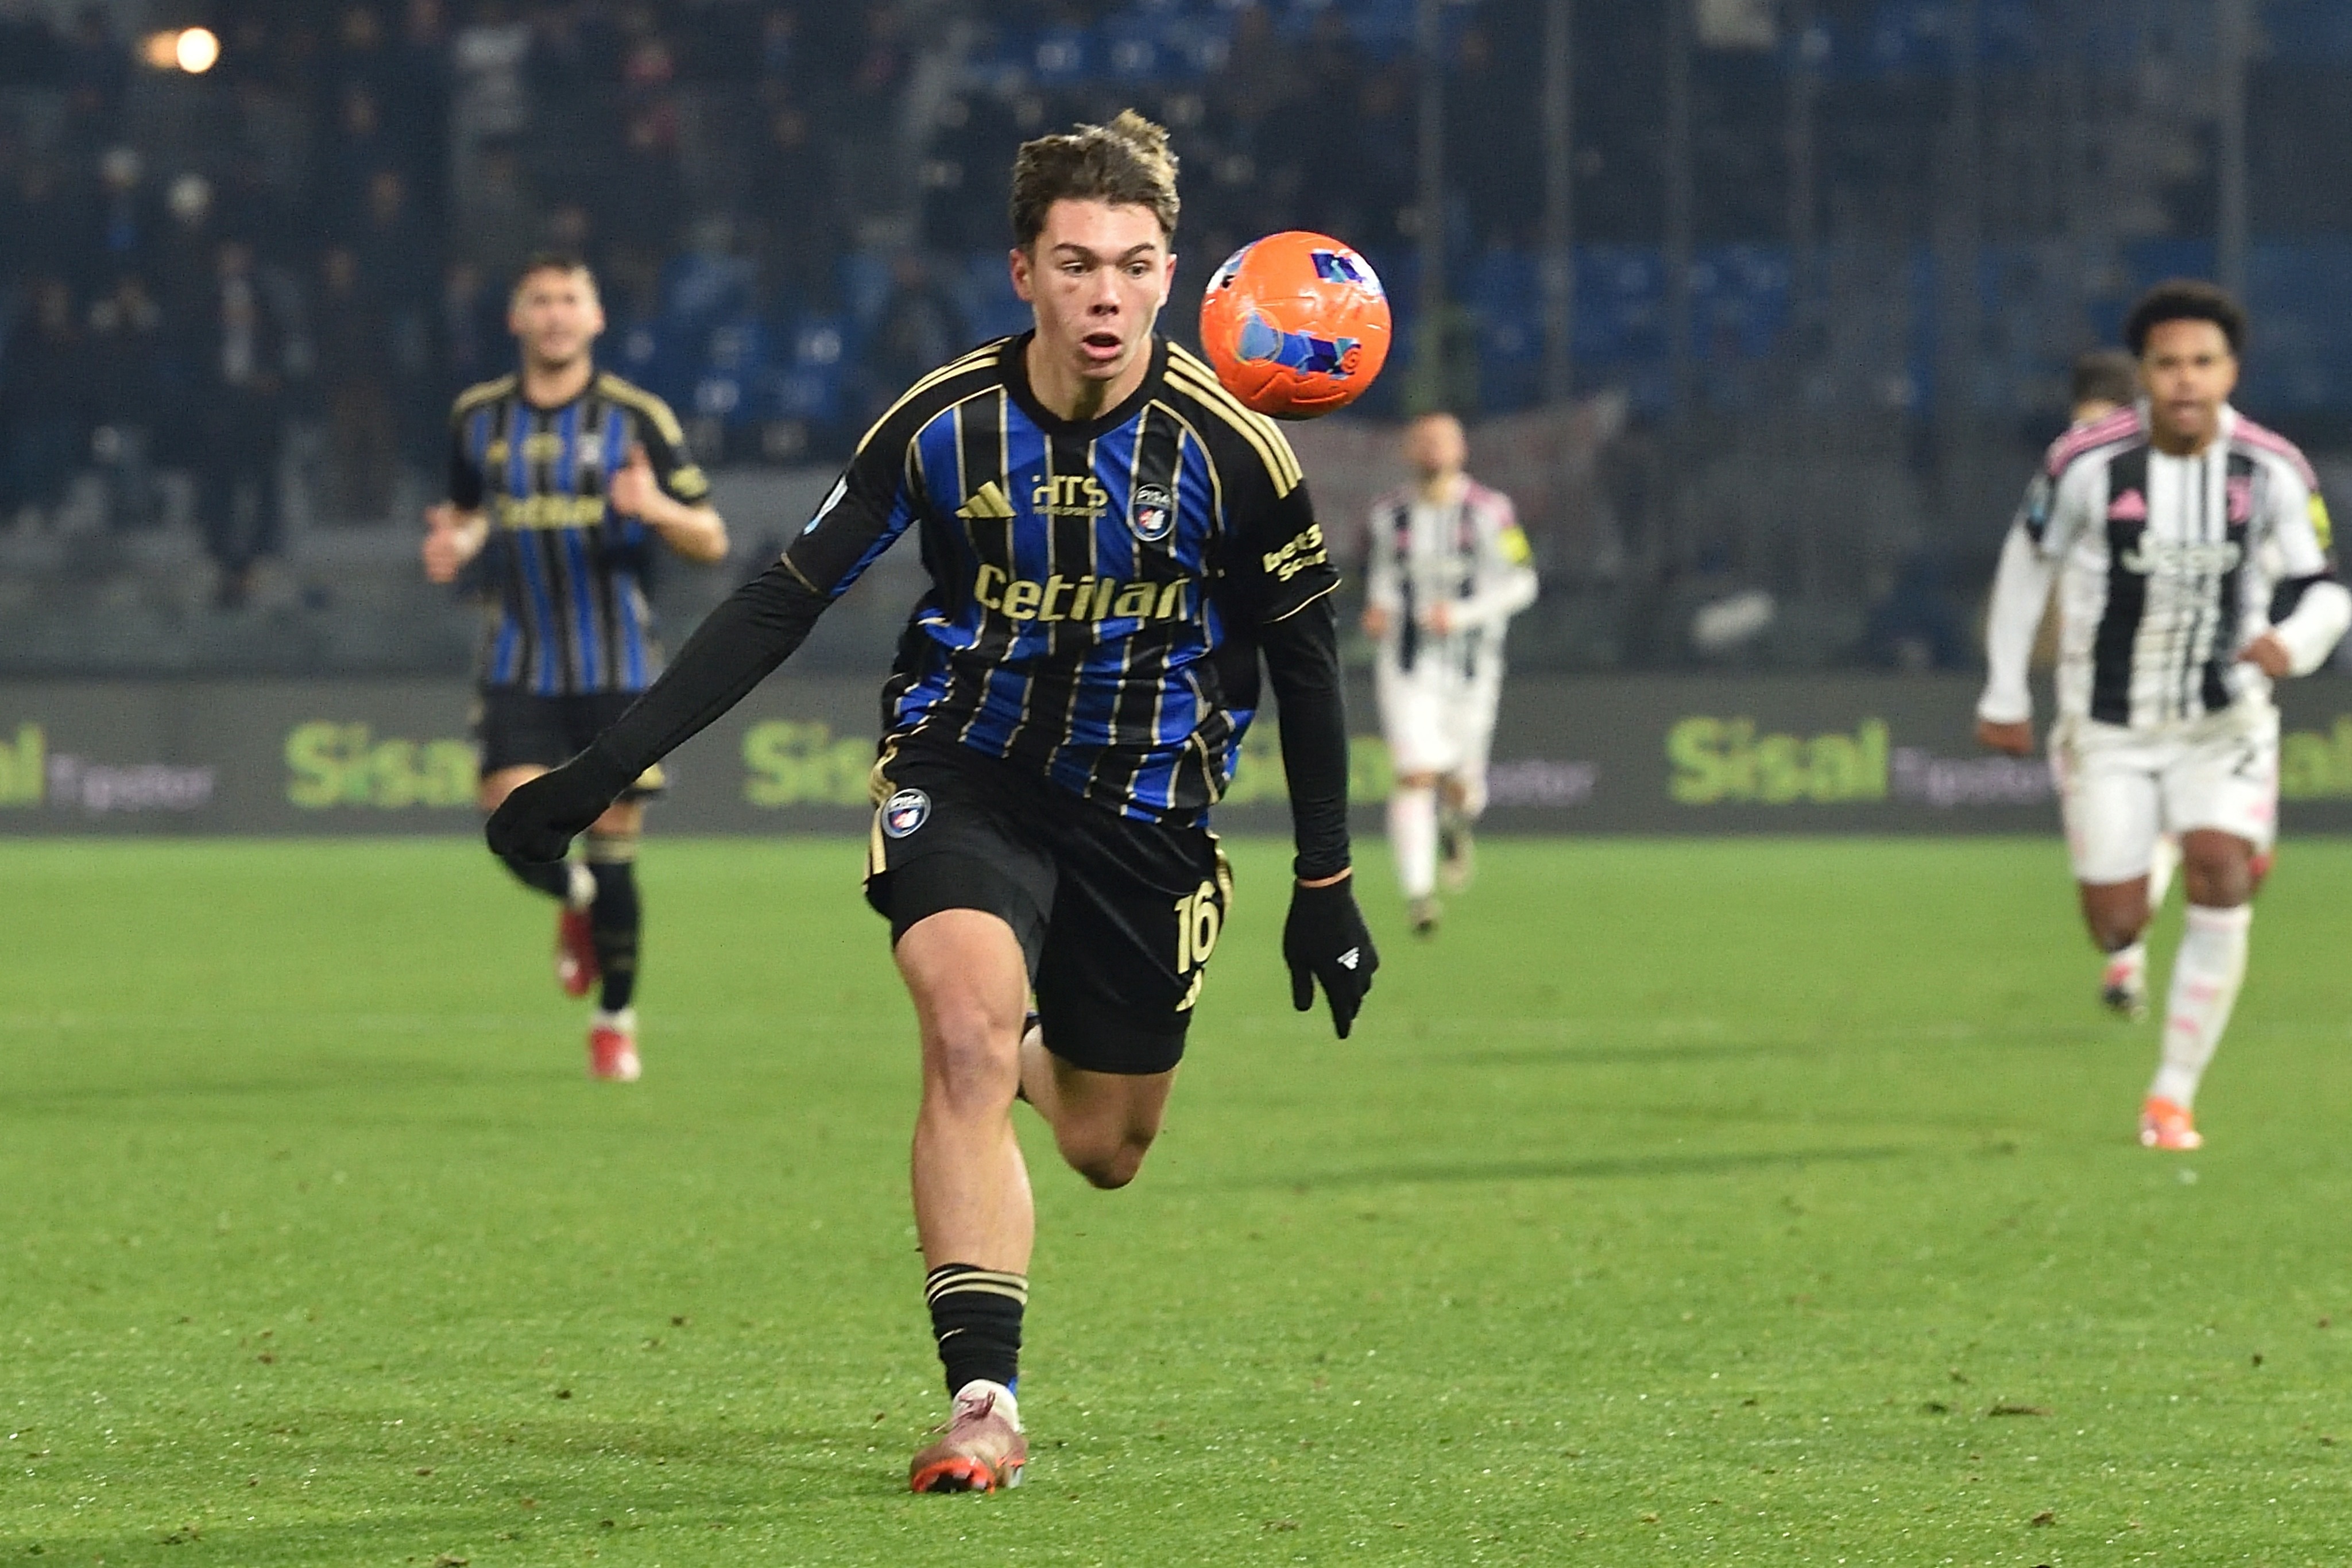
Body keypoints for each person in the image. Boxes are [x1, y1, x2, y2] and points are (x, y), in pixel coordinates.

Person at [485, 112, 1378, 1492]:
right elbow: (783, 599)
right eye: (1074, 264)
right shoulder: (941, 421)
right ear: (1022, 272)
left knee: (1105, 1144)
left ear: (1171, 273)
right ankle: (983, 1403)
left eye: (1133, 265)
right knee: (960, 1036)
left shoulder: (1234, 449)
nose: (1105, 295)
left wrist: (1326, 886)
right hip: (965, 769)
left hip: (1147, 810)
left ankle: (1031, 1038)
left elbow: (1308, 670)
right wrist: (600, 769)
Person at [1976, 281, 2350, 1151]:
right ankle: (2194, 856)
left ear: (2230, 372)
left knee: (2218, 870)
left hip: (2224, 720)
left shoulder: (2274, 469)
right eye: (2168, 363)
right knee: (2118, 924)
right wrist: (2003, 692)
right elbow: (2025, 565)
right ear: (2143, 374)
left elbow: (2325, 590)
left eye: (2202, 363)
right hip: (2107, 725)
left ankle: (2171, 1098)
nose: (2186, 379)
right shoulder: (2084, 462)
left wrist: (2293, 642)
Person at [423, 253, 729, 1083]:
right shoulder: (478, 418)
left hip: (616, 662)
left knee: (616, 838)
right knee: (508, 816)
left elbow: (711, 538)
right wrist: (457, 544)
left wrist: (653, 507)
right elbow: (468, 512)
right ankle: (579, 899)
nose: (556, 314)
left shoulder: (636, 417)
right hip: (518, 656)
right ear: (516, 319)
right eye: (541, 301)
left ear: (595, 318)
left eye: (570, 300)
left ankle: (614, 1024)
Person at [1361, 411, 1537, 935]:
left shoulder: (1492, 512)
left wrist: (1460, 615)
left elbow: (1523, 582)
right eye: (1422, 440)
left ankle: (1456, 825)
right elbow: (1384, 577)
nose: (1432, 448)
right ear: (1407, 451)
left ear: (1461, 450)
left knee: (1464, 787)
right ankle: (1419, 896)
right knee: (1415, 773)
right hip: (1407, 664)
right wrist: (1379, 607)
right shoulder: (1387, 514)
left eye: (1442, 439)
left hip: (1472, 667)